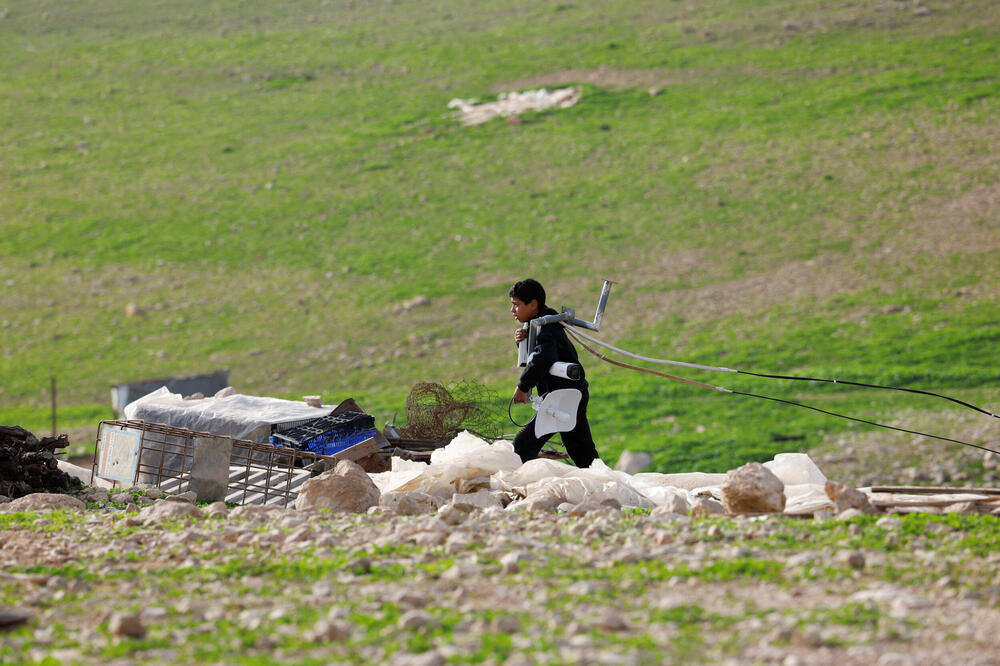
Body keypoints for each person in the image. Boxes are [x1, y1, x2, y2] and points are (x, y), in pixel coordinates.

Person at [508, 278, 600, 468]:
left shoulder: (547, 324)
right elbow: (538, 354)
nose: (512, 311)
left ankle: (517, 491)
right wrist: (522, 342)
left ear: (533, 304)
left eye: (516, 305)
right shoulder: (537, 323)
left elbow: (544, 356)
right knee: (582, 451)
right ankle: (610, 486)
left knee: (522, 446)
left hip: (563, 396)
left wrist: (523, 387)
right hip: (572, 393)